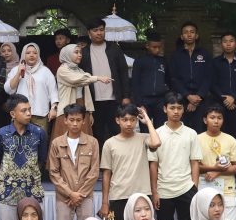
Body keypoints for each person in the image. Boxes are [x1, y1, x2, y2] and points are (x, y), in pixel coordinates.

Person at [100, 104, 161, 220]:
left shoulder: (144, 138)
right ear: (117, 120)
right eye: (125, 120)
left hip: (141, 195)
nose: (129, 123)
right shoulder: (109, 143)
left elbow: (156, 142)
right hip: (118, 196)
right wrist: (105, 202)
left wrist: (147, 120)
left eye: (133, 120)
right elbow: (106, 174)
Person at [48, 104, 100, 220]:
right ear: (65, 120)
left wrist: (79, 195)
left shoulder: (92, 142)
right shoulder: (57, 143)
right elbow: (53, 172)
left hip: (85, 197)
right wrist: (70, 194)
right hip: (64, 198)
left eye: (78, 120)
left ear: (84, 120)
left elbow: (94, 172)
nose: (75, 124)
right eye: (71, 120)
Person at [0, 94, 47, 220]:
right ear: (13, 114)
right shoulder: (0, 134)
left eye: (29, 109)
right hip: (7, 193)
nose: (28, 113)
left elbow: (42, 159)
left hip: (32, 192)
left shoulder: (39, 133)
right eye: (24, 110)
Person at [149, 92, 201, 220]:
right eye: (172, 108)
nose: (176, 111)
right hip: (163, 190)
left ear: (184, 109)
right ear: (165, 109)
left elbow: (195, 162)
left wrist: (194, 188)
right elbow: (153, 165)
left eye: (179, 108)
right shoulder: (156, 134)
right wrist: (154, 191)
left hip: (186, 188)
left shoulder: (191, 133)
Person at [80, 18, 130, 147]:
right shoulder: (84, 52)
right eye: (95, 30)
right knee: (97, 133)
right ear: (89, 33)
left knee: (116, 131)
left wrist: (126, 96)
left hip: (114, 99)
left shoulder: (114, 49)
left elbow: (124, 73)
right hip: (94, 101)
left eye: (101, 30)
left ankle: (118, 158)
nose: (99, 33)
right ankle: (100, 159)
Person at [196, 103, 236, 220]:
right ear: (205, 120)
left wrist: (217, 172)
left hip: (227, 192)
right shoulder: (196, 139)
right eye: (212, 117)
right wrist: (213, 168)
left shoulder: (230, 140)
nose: (216, 121)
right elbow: (194, 167)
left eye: (219, 118)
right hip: (204, 190)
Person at [54, 43, 107, 139]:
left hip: (81, 105)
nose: (79, 55)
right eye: (76, 52)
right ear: (68, 54)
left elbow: (86, 93)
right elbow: (76, 80)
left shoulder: (80, 71)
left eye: (80, 52)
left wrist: (90, 112)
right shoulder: (62, 70)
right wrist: (98, 78)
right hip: (67, 107)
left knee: (84, 139)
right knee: (66, 140)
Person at [4, 42, 58, 132]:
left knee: (40, 138)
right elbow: (8, 89)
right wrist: (18, 73)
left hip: (40, 114)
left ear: (38, 55)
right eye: (28, 53)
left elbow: (53, 92)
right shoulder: (16, 70)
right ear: (23, 55)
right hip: (20, 113)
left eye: (35, 53)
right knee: (19, 137)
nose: (32, 55)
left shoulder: (45, 71)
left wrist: (53, 108)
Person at [210, 31, 236, 140]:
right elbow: (212, 83)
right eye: (225, 41)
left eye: (231, 41)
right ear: (221, 44)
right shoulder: (215, 62)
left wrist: (234, 97)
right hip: (220, 104)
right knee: (220, 134)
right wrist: (225, 99)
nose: (228, 44)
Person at [131, 29, 169, 128]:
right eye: (154, 47)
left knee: (161, 128)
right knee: (145, 127)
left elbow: (168, 80)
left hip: (160, 100)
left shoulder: (163, 61)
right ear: (147, 46)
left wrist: (165, 94)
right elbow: (135, 83)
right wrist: (139, 103)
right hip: (144, 100)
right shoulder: (140, 61)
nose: (157, 50)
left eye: (159, 47)